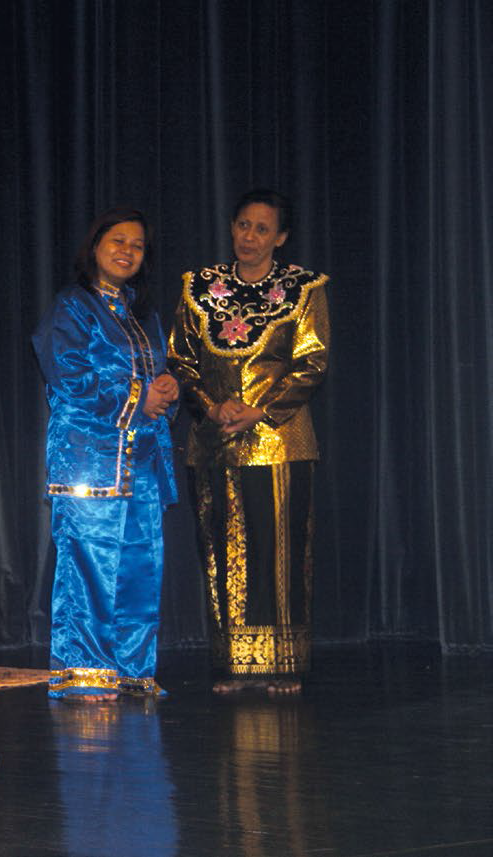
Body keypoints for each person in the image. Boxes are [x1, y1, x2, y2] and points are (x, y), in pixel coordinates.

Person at [166, 189, 330, 696]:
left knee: (278, 552)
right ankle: (234, 665)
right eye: (243, 225)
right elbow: (181, 359)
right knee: (222, 552)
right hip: (214, 440)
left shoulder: (302, 288)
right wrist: (211, 406)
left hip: (279, 441)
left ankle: (282, 663)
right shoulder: (200, 287)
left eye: (262, 229)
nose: (250, 237)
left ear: (280, 237)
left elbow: (312, 362)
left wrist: (260, 411)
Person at [32, 208, 179, 701]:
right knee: (89, 565)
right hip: (88, 458)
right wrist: (137, 397)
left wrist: (167, 387)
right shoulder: (72, 307)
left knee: (141, 565)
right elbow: (68, 374)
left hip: (142, 461)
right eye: (117, 240)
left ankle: (133, 669)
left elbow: (157, 374)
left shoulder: (142, 314)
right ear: (94, 247)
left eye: (137, 245)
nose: (126, 251)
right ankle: (85, 672)